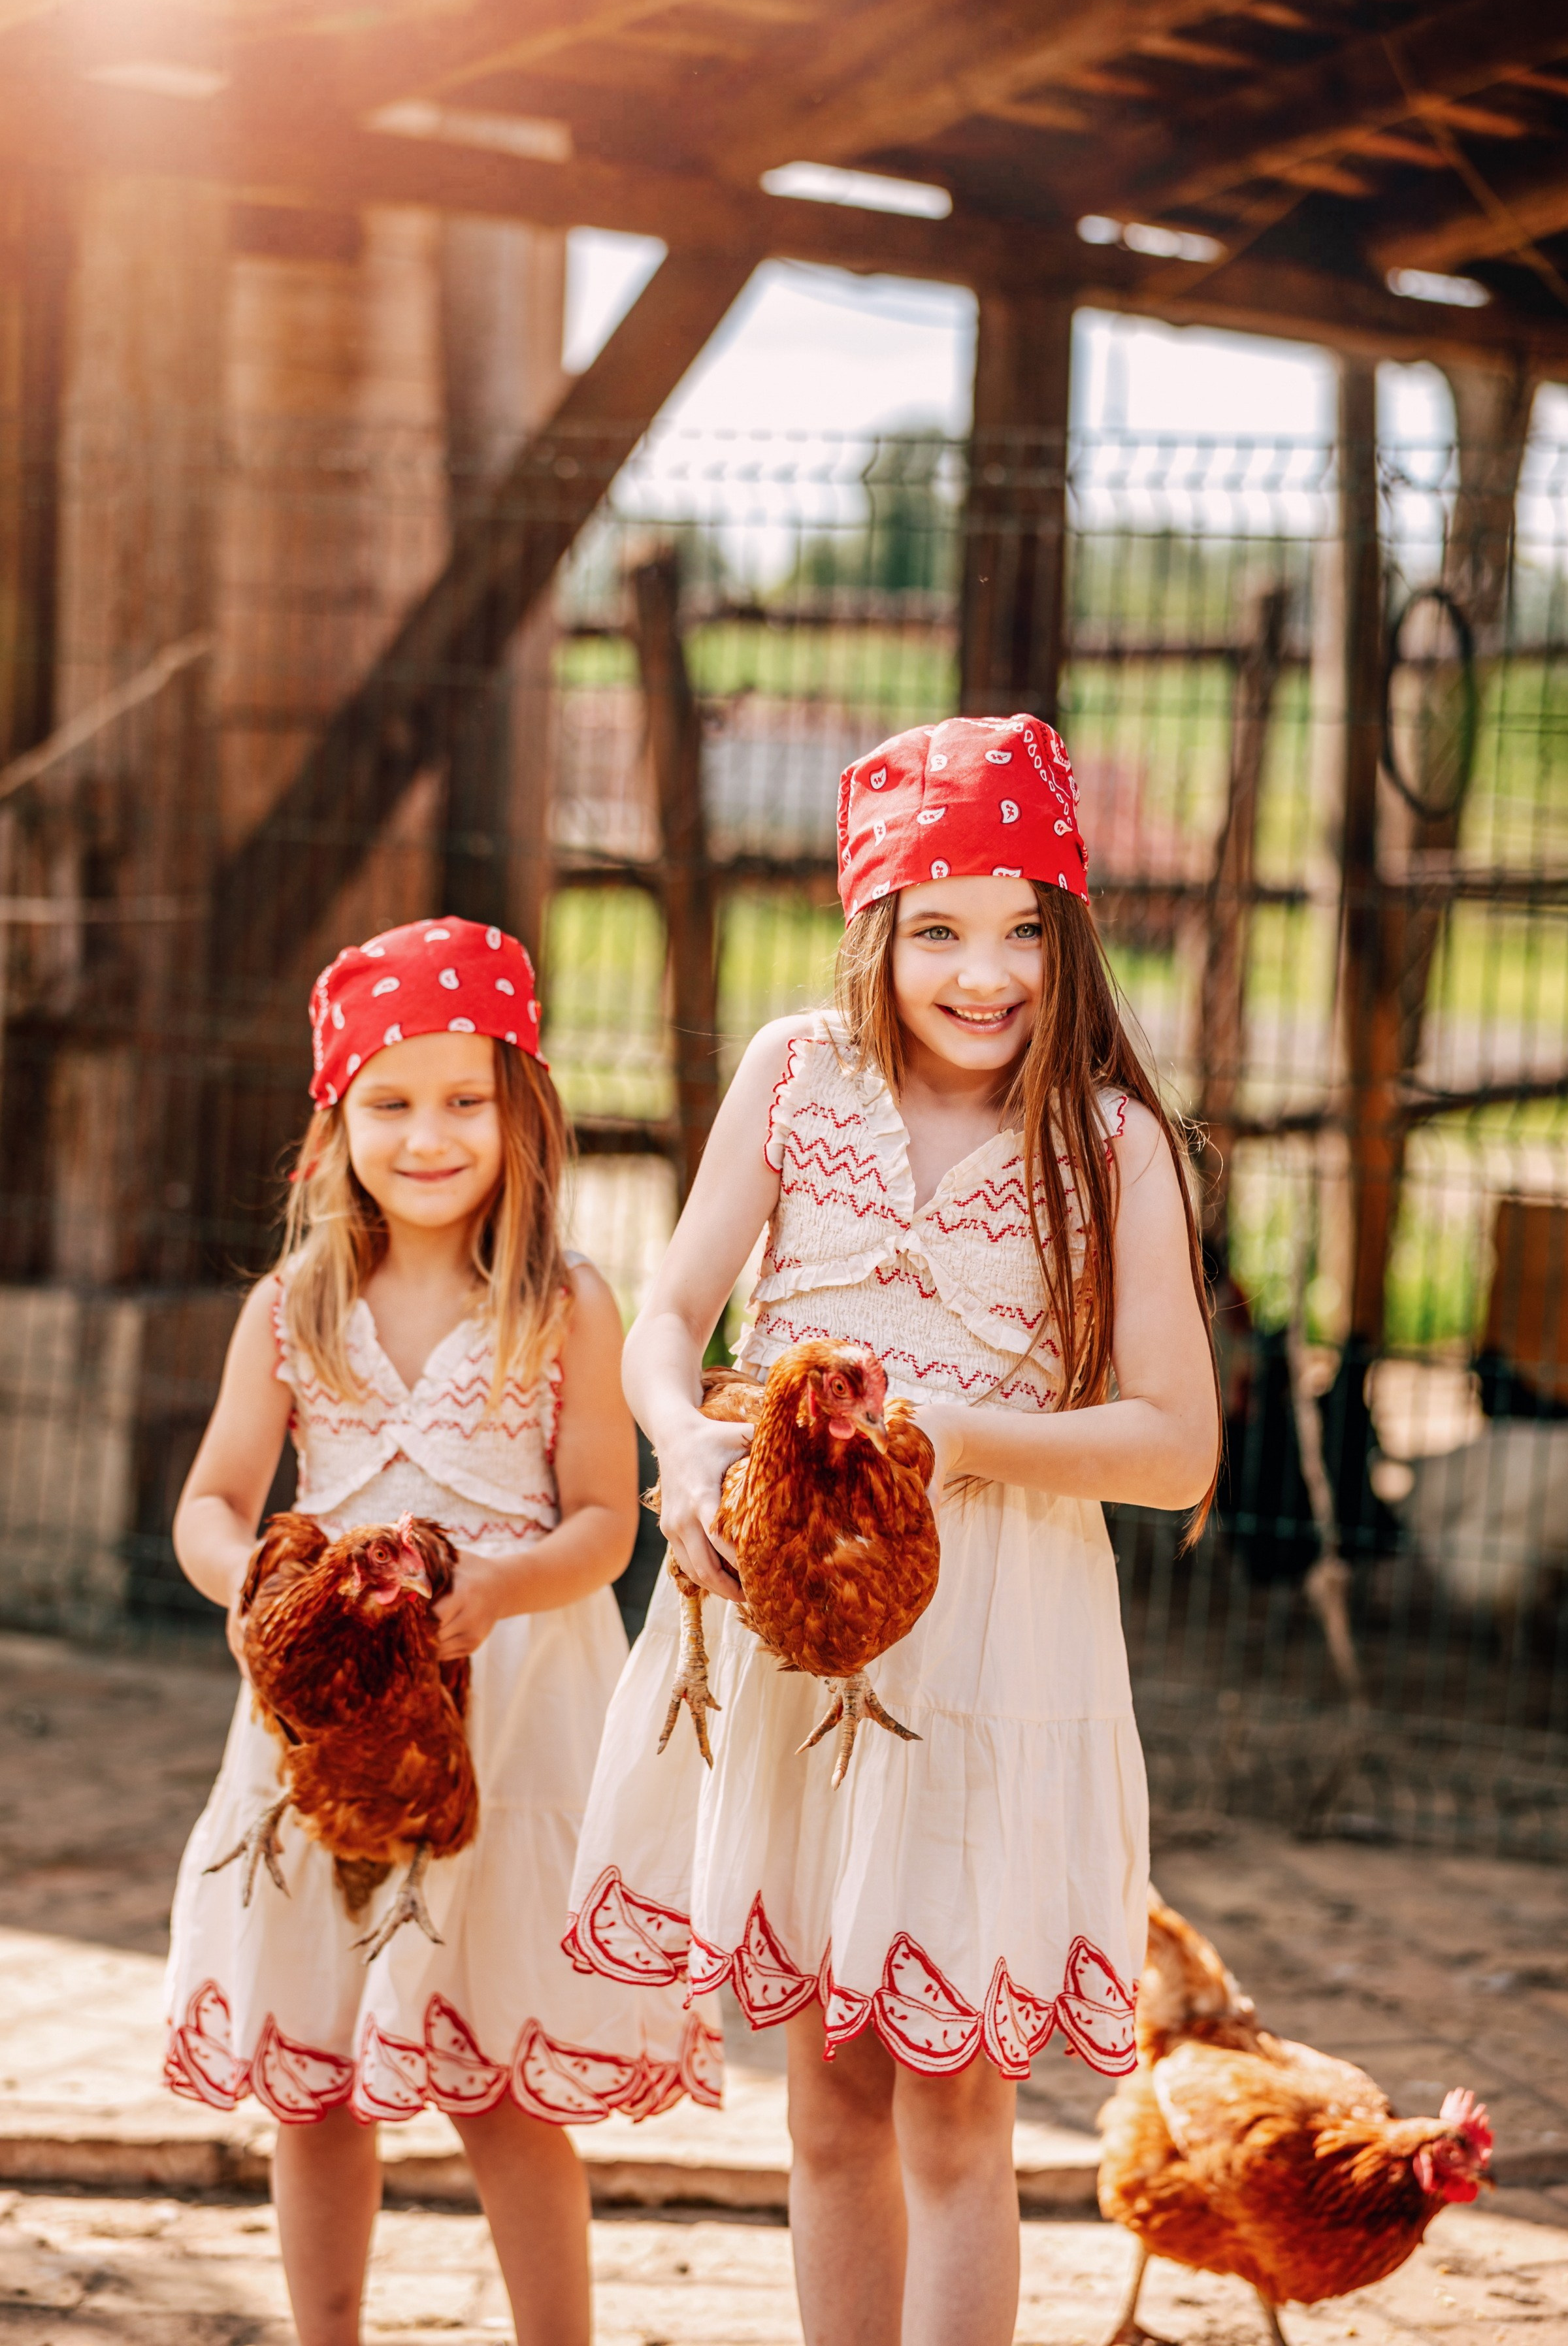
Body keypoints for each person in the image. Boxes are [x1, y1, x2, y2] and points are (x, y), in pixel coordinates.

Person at [565, 719, 1220, 2346]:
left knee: (953, 2109)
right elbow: (668, 1313)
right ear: (876, 931)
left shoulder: (1114, 1144)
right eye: (939, 928)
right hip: (796, 1626)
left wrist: (931, 1434)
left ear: (1069, 936)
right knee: (826, 2100)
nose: (981, 972)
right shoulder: (795, 1075)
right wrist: (691, 1442)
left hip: (995, 1646)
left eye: (1021, 930)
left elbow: (1176, 1449)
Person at [164, 916, 715, 2346]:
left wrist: (494, 1596)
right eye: (391, 1104)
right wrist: (262, 1599)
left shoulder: (565, 1303)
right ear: (338, 1121)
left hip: (517, 1714)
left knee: (503, 2082)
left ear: (519, 1106)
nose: (429, 1135)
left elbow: (605, 1517)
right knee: (324, 2080)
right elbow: (214, 1501)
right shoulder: (295, 1311)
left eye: (465, 1099)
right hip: (332, 1720)